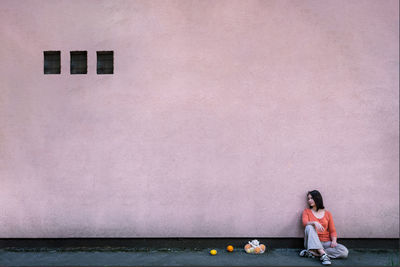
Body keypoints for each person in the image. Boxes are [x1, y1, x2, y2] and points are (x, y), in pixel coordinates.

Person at [300, 190, 349, 265]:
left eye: (311, 198)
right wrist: (314, 222)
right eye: (308, 199)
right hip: (311, 243)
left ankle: (314, 254)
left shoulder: (327, 213)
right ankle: (323, 255)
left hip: (325, 242)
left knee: (344, 252)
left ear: (318, 198)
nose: (309, 200)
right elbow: (304, 223)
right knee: (309, 227)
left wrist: (334, 241)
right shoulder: (306, 211)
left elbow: (332, 230)